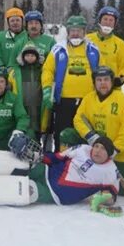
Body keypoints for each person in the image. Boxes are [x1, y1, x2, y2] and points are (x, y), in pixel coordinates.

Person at [68, 66, 124, 194]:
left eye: (106, 79)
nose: (103, 83)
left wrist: (114, 149)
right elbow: (78, 119)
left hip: (119, 154)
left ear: (112, 82)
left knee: (121, 191)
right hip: (97, 150)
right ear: (94, 83)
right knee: (67, 135)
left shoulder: (123, 101)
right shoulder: (88, 98)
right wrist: (90, 136)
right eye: (99, 80)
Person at [41, 15, 101, 151]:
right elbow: (47, 70)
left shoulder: (93, 50)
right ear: (67, 32)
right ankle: (61, 161)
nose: (75, 33)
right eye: (72, 30)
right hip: (63, 101)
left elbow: (102, 72)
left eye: (79, 30)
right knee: (62, 134)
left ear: (84, 32)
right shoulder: (58, 49)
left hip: (87, 101)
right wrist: (47, 90)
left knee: (85, 133)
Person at [8, 42, 48, 142]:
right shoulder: (16, 72)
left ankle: (37, 148)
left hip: (37, 105)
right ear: (22, 57)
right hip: (22, 105)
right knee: (23, 127)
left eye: (32, 55)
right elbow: (10, 86)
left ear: (37, 57)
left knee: (36, 128)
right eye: (27, 55)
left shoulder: (42, 70)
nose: (30, 57)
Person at [86, 6, 124, 87]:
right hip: (89, 88)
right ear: (99, 20)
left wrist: (120, 79)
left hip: (111, 88)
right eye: (105, 19)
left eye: (111, 20)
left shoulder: (120, 43)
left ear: (115, 23)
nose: (108, 22)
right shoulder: (87, 39)